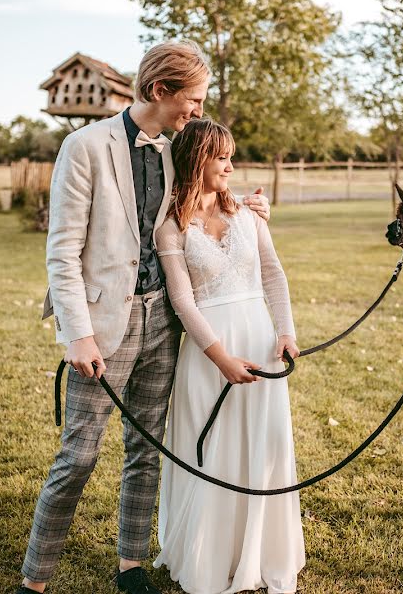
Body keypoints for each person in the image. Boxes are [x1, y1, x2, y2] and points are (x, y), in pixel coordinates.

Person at [18, 41, 270, 594]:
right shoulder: (84, 146)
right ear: (161, 91)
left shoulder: (177, 149)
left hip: (167, 323)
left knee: (146, 449)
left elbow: (206, 195)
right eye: (194, 100)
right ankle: (34, 581)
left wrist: (250, 208)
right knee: (79, 454)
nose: (198, 111)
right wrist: (78, 334)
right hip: (104, 326)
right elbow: (62, 252)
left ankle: (130, 567)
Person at [153, 117, 305, 594]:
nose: (232, 167)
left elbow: (273, 274)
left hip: (260, 341)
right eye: (223, 158)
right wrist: (220, 358)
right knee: (213, 450)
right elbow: (183, 302)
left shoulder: (247, 214)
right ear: (198, 159)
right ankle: (209, 557)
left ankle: (259, 554)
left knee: (261, 446)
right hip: (208, 352)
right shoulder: (170, 228)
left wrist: (285, 333)